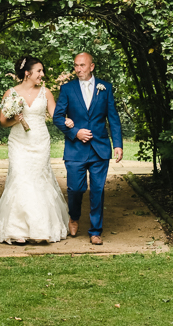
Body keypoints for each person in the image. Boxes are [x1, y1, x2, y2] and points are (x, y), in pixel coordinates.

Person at [0, 56, 70, 244]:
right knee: (20, 178)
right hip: (19, 143)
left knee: (39, 180)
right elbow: (2, 122)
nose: (42, 74)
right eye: (39, 71)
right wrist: (15, 119)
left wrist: (67, 121)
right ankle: (16, 230)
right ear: (27, 73)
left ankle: (40, 229)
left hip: (40, 142)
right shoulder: (11, 93)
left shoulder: (46, 93)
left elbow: (56, 115)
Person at [53, 52, 123, 245]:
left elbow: (113, 118)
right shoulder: (67, 89)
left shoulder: (105, 88)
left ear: (91, 67)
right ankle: (74, 217)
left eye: (82, 65)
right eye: (76, 65)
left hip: (100, 147)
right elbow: (57, 117)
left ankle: (95, 231)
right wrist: (75, 132)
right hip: (75, 149)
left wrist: (117, 144)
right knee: (75, 189)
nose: (78, 69)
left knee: (98, 190)